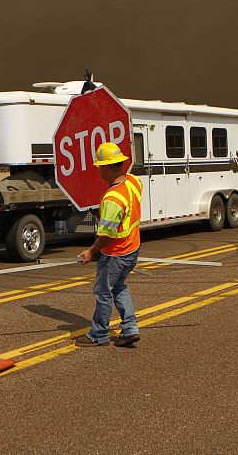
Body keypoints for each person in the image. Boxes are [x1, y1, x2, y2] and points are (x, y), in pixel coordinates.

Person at [76, 142, 143, 347]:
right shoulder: (133, 181)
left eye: (99, 167)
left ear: (106, 167)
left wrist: (91, 251)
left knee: (103, 292)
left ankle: (98, 334)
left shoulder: (112, 199)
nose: (98, 170)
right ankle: (130, 329)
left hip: (116, 253)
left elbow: (107, 235)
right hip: (132, 248)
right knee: (119, 287)